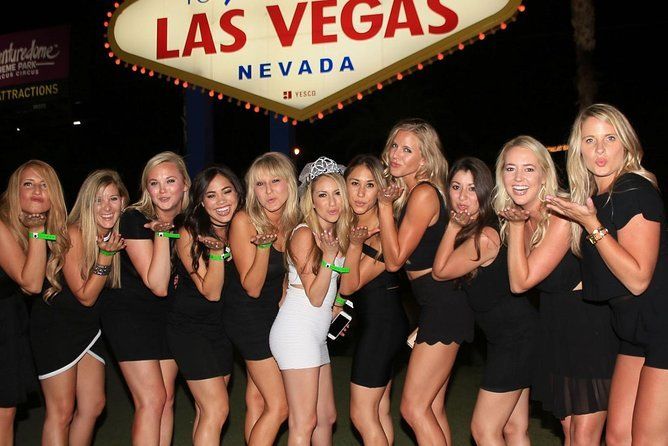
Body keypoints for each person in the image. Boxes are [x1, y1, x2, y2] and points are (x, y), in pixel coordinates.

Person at [546, 104, 668, 446]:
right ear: (579, 148)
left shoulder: (634, 191)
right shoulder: (595, 200)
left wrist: (591, 225)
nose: (600, 149)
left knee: (647, 439)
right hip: (631, 329)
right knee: (617, 437)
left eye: (609, 138)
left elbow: (638, 278)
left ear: (626, 145)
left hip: (661, 327)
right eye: (590, 140)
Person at [496, 135, 617, 445]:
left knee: (583, 436)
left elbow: (520, 282)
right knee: (569, 432)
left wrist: (516, 226)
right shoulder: (521, 218)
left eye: (528, 169)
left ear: (545, 175)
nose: (519, 178)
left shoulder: (561, 215)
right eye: (510, 169)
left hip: (591, 327)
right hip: (555, 327)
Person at [377, 119, 473, 445]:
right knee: (431, 407)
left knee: (413, 408)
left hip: (443, 303)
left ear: (425, 158)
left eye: (408, 150)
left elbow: (393, 260)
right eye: (394, 146)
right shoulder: (419, 192)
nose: (396, 155)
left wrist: (383, 205)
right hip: (441, 301)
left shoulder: (422, 193)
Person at [432, 157, 539, 445]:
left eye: (471, 189)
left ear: (485, 194)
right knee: (514, 429)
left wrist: (452, 227)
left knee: (484, 430)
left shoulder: (487, 236)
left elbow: (440, 272)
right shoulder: (484, 230)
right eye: (456, 187)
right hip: (514, 336)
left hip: (514, 340)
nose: (463, 197)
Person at [30, 170, 128, 446]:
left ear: (123, 202)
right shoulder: (74, 234)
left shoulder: (114, 235)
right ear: (86, 205)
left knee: (94, 405)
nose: (107, 207)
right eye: (98, 200)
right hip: (56, 328)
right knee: (61, 411)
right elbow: (85, 296)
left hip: (89, 329)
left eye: (113, 199)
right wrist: (106, 258)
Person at [101, 151, 190, 445]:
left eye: (170, 181)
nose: (162, 190)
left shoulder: (188, 221)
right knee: (151, 400)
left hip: (167, 318)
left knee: (166, 400)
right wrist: (163, 236)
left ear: (185, 185)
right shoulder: (133, 218)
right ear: (146, 189)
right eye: (154, 183)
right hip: (130, 316)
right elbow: (158, 284)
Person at [269, 156, 351, 446]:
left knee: (326, 418)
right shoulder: (305, 234)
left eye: (337, 193)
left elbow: (335, 289)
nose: (332, 202)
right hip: (297, 331)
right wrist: (329, 257)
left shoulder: (336, 233)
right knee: (304, 422)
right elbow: (315, 296)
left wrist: (339, 306)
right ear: (311, 200)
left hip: (316, 334)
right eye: (323, 195)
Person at [167, 165, 242, 445]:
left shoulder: (241, 227)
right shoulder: (190, 231)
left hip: (221, 331)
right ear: (200, 201)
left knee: (206, 410)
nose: (221, 201)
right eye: (211, 196)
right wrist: (216, 254)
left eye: (227, 192)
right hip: (190, 329)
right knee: (217, 408)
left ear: (238, 193)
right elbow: (210, 292)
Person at [226, 153, 298, 444]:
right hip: (246, 317)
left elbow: (285, 278)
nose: (268, 191)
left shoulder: (293, 221)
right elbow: (252, 286)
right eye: (260, 184)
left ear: (289, 184)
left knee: (257, 397)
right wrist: (265, 246)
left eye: (275, 181)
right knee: (279, 406)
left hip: (272, 315)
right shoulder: (244, 221)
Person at [338, 154, 408, 446]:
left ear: (381, 190)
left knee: (362, 415)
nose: (361, 193)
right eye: (354, 183)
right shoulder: (357, 226)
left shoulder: (380, 231)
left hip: (383, 329)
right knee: (379, 411)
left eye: (370, 185)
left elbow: (349, 285)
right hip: (383, 324)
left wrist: (354, 246)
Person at [0, 161, 67, 446]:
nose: (37, 190)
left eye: (44, 184)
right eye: (28, 184)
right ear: (15, 192)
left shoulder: (31, 230)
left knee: (6, 411)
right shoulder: (3, 225)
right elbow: (31, 283)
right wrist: (38, 228)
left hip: (11, 325)